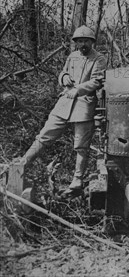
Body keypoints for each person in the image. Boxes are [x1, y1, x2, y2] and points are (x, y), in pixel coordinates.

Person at [18, 26, 107, 193]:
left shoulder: (99, 58)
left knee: (81, 145)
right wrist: (64, 78)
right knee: (44, 135)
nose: (82, 44)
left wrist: (78, 90)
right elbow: (63, 73)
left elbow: (97, 81)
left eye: (86, 41)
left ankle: (77, 180)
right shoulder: (72, 57)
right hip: (65, 103)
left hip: (84, 105)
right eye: (79, 41)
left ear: (92, 42)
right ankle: (21, 165)